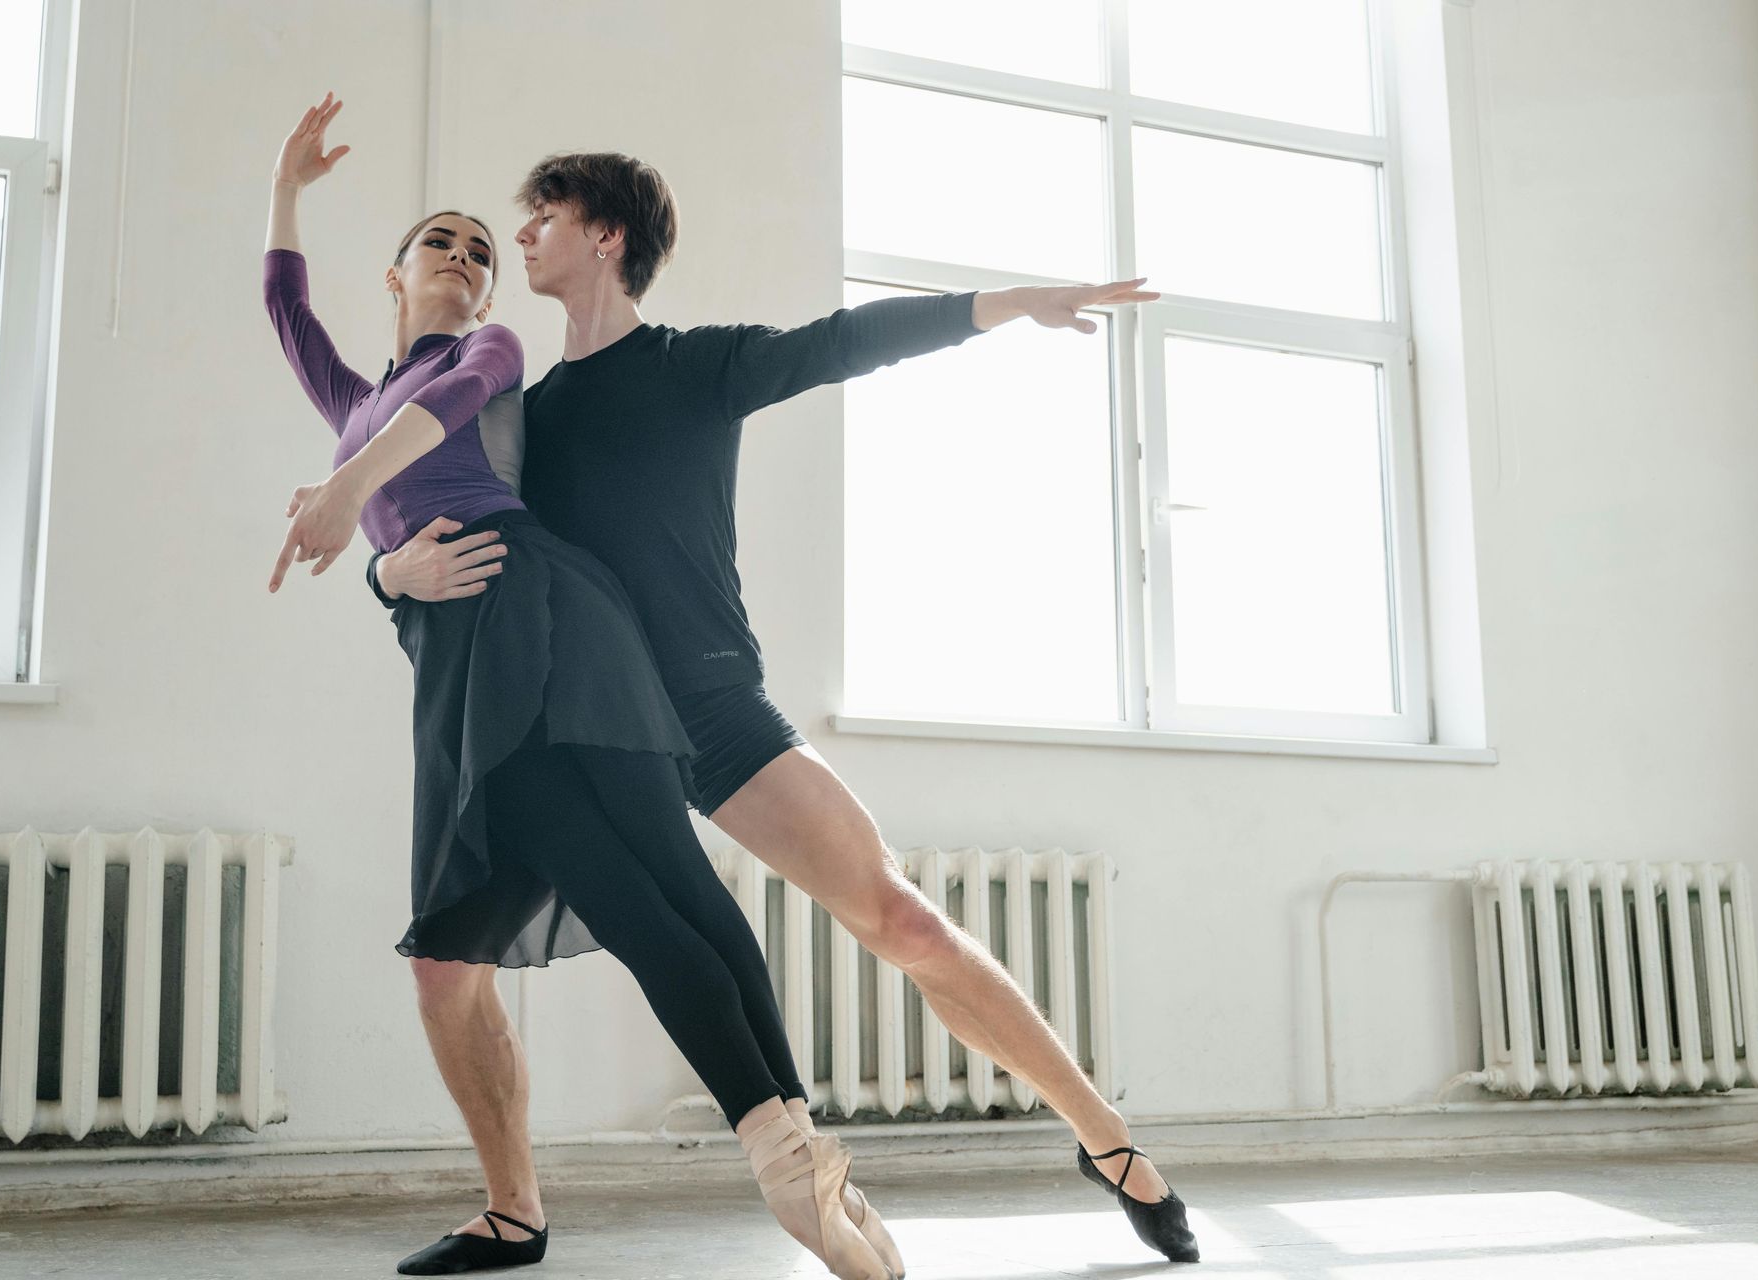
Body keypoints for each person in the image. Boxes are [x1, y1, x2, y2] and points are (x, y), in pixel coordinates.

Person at [369, 148, 1199, 1265]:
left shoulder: (698, 367)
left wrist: (1008, 305)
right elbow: (423, 516)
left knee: (900, 918)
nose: (519, 241)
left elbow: (846, 344)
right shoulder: (520, 411)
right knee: (446, 964)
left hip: (709, 709)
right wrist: (383, 575)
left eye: (542, 218)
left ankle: (1105, 1136)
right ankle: (516, 1208)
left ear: (605, 235)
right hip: (586, 726)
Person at [262, 93, 903, 1280]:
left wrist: (347, 494)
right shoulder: (351, 398)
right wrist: (288, 185)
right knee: (637, 892)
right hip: (460, 665)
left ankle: (788, 1159)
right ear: (392, 276)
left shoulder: (486, 354)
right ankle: (790, 1157)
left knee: (651, 883)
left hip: (546, 619)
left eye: (480, 249)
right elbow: (285, 308)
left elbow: (438, 422)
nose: (462, 255)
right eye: (437, 242)